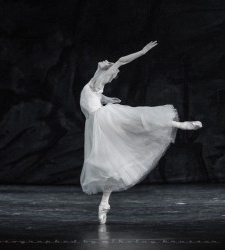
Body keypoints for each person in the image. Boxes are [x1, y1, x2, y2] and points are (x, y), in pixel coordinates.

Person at [79, 41, 202, 224]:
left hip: (99, 120)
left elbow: (118, 63)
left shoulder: (96, 83)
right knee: (111, 160)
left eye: (113, 74)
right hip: (98, 121)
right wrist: (141, 52)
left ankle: (179, 124)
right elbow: (118, 62)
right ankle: (104, 203)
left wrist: (104, 94)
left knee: (136, 123)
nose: (114, 75)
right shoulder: (95, 82)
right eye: (113, 74)